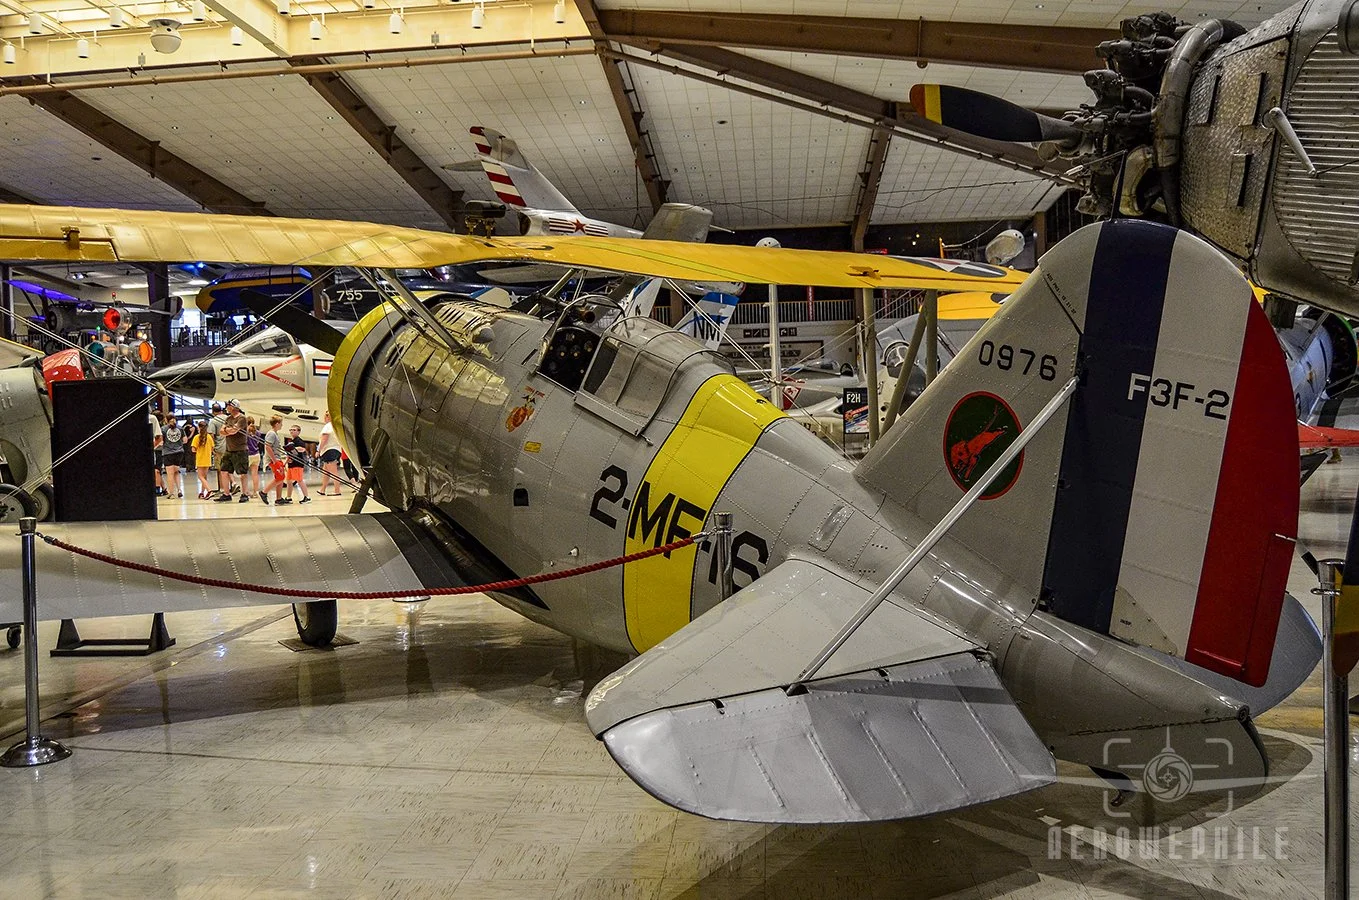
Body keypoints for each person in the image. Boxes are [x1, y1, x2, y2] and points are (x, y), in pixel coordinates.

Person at [215, 399, 251, 503]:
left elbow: (235, 431)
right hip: (229, 449)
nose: (227, 407)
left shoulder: (242, 418)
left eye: (228, 405)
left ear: (234, 407)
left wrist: (227, 430)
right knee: (224, 471)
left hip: (240, 450)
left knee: (242, 473)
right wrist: (228, 430)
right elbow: (221, 432)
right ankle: (226, 493)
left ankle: (245, 494)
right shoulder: (228, 418)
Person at [260, 416, 287, 504]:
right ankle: (264, 492)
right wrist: (274, 461)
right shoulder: (271, 434)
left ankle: (279, 498)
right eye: (281, 423)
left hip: (277, 458)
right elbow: (268, 447)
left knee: (280, 478)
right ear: (277, 424)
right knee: (280, 477)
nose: (282, 425)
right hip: (273, 459)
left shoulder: (274, 433)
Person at [282, 424, 311, 504]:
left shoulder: (299, 441)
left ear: (298, 432)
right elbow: (290, 453)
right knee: (288, 481)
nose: (292, 431)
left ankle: (307, 497)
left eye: (294, 430)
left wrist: (295, 449)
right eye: (291, 430)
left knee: (299, 480)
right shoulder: (291, 441)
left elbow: (302, 449)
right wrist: (286, 462)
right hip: (291, 464)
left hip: (298, 463)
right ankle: (288, 497)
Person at [316, 411, 342, 496]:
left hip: (329, 450)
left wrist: (318, 450)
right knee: (326, 472)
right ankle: (322, 489)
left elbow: (324, 439)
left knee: (333, 472)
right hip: (336, 449)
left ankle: (337, 490)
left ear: (328, 417)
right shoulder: (335, 426)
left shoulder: (327, 426)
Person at [161, 414, 186, 499]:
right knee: (176, 472)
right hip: (179, 452)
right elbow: (185, 440)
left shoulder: (164, 429)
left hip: (168, 453)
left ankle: (171, 493)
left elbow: (161, 441)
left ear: (166, 420)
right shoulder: (180, 428)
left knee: (170, 474)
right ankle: (179, 490)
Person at [191, 419, 215, 499]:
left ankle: (209, 490)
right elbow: (212, 448)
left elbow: (193, 449)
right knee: (204, 477)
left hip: (200, 458)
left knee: (200, 476)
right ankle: (202, 493)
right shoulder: (209, 437)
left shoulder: (197, 437)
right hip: (207, 458)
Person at [244, 418, 263, 498]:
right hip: (256, 454)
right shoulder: (258, 433)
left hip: (248, 455)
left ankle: (245, 491)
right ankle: (255, 492)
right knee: (255, 474)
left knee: (244, 474)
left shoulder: (245, 432)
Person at [149, 409, 164, 496]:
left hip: (156, 450)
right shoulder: (162, 427)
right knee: (158, 471)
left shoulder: (153, 421)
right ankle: (163, 488)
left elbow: (160, 438)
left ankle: (158, 488)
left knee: (156, 470)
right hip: (158, 450)